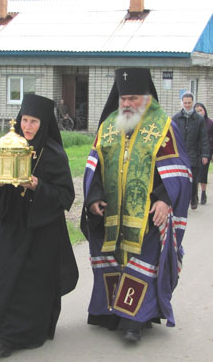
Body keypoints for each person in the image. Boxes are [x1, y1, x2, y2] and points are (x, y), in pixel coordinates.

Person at [81, 67, 192, 343]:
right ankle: (111, 314)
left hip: (148, 216)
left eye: (132, 98)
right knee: (113, 263)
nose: (127, 104)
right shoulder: (108, 126)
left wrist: (165, 201)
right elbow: (93, 167)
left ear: (146, 98)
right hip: (112, 215)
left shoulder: (163, 126)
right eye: (123, 99)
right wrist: (93, 199)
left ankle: (135, 322)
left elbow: (177, 170)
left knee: (140, 265)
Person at [0, 94, 79, 357]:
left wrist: (37, 186)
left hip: (41, 232)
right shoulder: (10, 146)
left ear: (43, 124)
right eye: (24, 120)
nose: (28, 126)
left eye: (34, 121)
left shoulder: (54, 154)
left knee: (30, 286)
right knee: (3, 279)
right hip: (11, 228)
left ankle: (16, 336)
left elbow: (65, 196)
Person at [172, 92, 209, 209]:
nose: (187, 105)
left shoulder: (199, 119)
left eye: (189, 103)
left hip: (194, 153)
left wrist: (205, 154)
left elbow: (204, 138)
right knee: (180, 179)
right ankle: (181, 201)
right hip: (180, 153)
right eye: (185, 103)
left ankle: (193, 197)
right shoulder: (176, 118)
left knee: (192, 179)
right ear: (182, 103)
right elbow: (171, 136)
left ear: (192, 103)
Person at [194, 102, 213, 204]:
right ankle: (195, 194)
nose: (199, 113)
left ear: (204, 110)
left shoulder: (210, 123)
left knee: (203, 173)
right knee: (195, 174)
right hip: (196, 151)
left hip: (207, 151)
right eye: (197, 111)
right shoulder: (193, 122)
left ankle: (203, 193)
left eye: (201, 110)